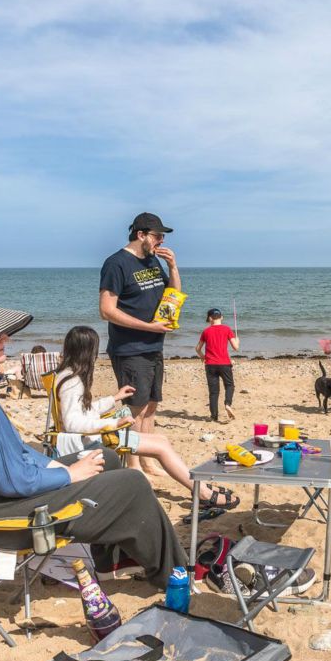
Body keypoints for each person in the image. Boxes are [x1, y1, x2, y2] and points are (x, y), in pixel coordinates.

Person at [0, 297, 187, 587]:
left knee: (104, 458)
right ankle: (176, 576)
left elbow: (14, 455)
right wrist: (68, 474)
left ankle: (114, 560)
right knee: (131, 483)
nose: (5, 338)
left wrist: (52, 464)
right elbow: (10, 481)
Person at [55, 326, 238, 510]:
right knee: (161, 448)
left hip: (93, 435)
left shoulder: (68, 375)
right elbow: (73, 423)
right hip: (92, 440)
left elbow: (83, 411)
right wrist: (114, 423)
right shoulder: (72, 382)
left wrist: (115, 398)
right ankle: (203, 493)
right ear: (87, 351)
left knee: (162, 440)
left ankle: (200, 488)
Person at [99, 212, 179, 476]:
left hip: (154, 345)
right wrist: (148, 327)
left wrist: (173, 268)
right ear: (141, 235)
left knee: (152, 405)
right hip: (130, 348)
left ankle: (148, 459)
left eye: (162, 236)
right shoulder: (116, 263)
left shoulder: (153, 261)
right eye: (157, 236)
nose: (161, 240)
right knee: (135, 408)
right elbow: (107, 310)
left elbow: (172, 297)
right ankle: (133, 464)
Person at [195, 308, 239, 423]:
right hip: (224, 363)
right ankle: (228, 404)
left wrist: (203, 357)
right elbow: (236, 347)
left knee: (213, 392)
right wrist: (237, 341)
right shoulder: (227, 329)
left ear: (210, 319)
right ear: (222, 317)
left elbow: (197, 349)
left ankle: (214, 416)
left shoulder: (206, 331)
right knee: (229, 385)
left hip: (210, 365)